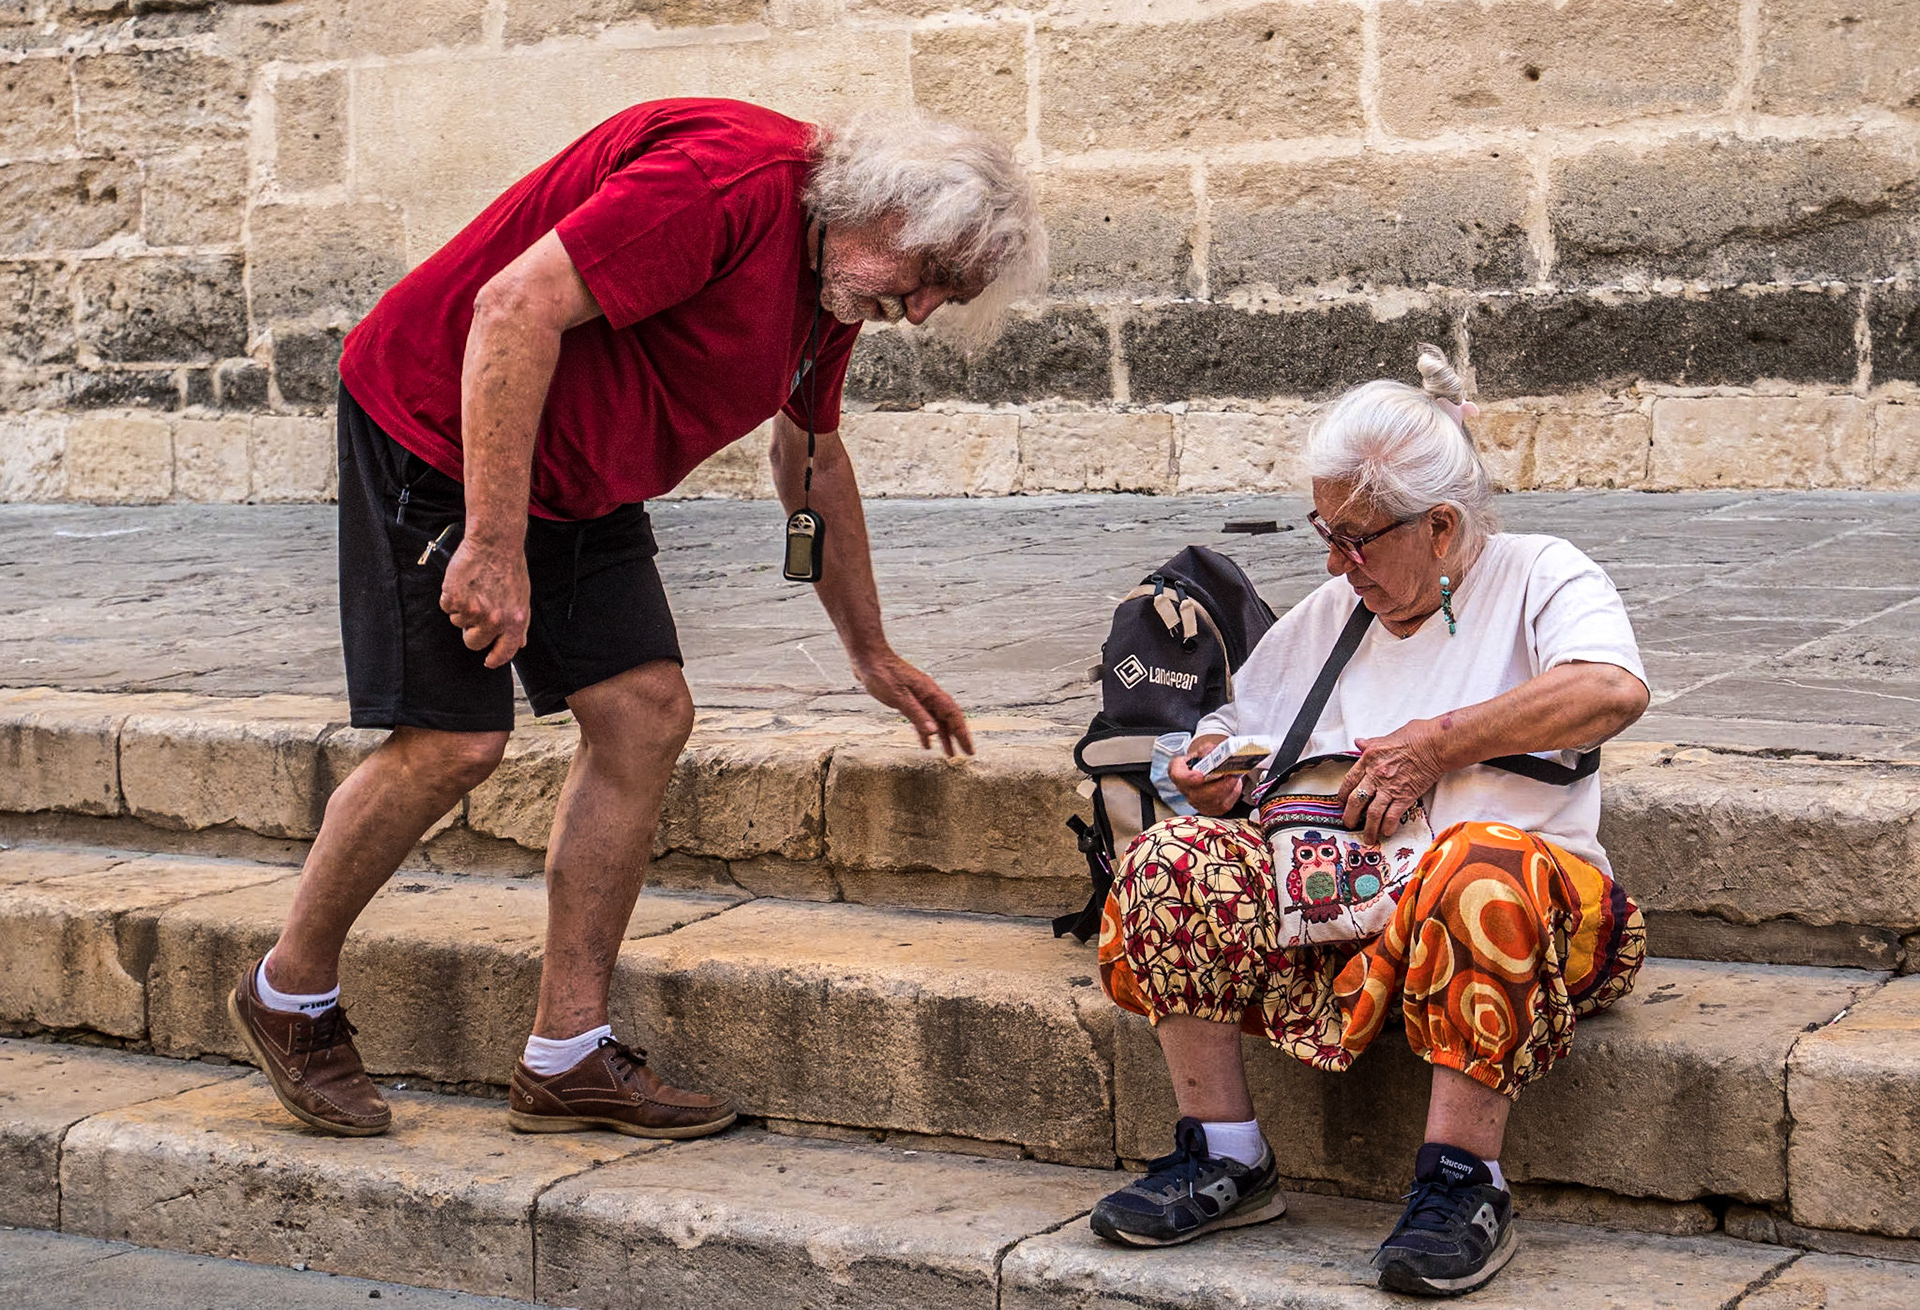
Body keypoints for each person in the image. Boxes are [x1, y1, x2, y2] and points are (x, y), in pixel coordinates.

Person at [226, 98, 1042, 1141]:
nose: (923, 312)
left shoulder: (831, 290)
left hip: (579, 473)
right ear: (881, 207)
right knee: (454, 739)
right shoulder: (728, 184)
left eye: (949, 296)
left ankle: (567, 1053)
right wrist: (492, 538)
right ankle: (289, 992)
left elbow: (811, 459)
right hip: (440, 425)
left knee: (646, 711)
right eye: (928, 277)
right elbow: (513, 306)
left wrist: (866, 644)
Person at [1088, 346, 1649, 1296]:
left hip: (1533, 918)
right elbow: (1235, 730)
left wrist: (1438, 744)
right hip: (1349, 914)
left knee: (1480, 870)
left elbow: (1610, 689)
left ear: (1440, 528)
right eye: (1326, 532)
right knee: (1169, 858)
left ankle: (1463, 1180)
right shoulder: (1330, 612)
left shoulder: (1537, 574)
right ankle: (1225, 1152)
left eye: (1359, 538)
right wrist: (1214, 780)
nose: (1338, 562)